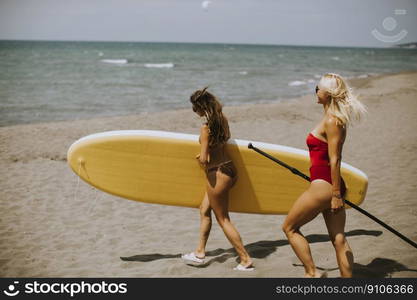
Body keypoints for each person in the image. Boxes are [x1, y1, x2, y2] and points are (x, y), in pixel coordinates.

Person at [281, 73, 366, 278]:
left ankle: (312, 273)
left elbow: (335, 158)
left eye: (317, 88)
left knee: (290, 228)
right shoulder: (333, 119)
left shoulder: (332, 121)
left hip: (325, 185)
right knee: (338, 238)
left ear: (328, 93)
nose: (316, 92)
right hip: (330, 184)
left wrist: (336, 194)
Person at [181, 87, 254, 271]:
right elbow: (225, 140)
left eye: (194, 107)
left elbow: (205, 159)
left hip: (217, 174)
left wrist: (200, 157)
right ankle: (199, 252)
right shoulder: (223, 121)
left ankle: (245, 259)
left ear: (201, 107)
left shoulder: (206, 128)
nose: (193, 111)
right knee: (204, 209)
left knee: (223, 219)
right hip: (230, 169)